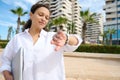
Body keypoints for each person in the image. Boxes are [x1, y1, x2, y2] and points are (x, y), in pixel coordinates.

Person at [0, 1, 82, 80]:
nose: (44, 19)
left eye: (47, 18)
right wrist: (7, 74)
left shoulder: (53, 38)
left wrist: (67, 38)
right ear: (31, 15)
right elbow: (5, 60)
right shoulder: (17, 38)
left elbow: (77, 41)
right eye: (40, 15)